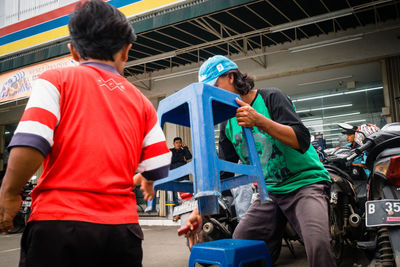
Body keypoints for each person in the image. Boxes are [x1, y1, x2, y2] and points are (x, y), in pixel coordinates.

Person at [0, 1, 171, 266]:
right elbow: (159, 165)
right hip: (121, 232)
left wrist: (10, 193)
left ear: (73, 51)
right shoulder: (142, 102)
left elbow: (32, 143)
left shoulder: (55, 80)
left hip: (58, 226)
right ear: (126, 51)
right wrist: (146, 179)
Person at [185, 55, 336, 267]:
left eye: (215, 86)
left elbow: (301, 139)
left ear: (231, 77)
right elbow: (222, 171)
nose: (212, 94)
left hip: (305, 184)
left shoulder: (271, 97)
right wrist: (198, 211)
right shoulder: (228, 123)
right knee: (241, 244)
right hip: (270, 192)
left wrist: (259, 121)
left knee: (318, 243)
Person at [169, 137, 192, 221]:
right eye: (177, 143)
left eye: (180, 143)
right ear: (173, 144)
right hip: (174, 175)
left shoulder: (184, 150)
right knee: (175, 196)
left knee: (186, 195)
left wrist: (185, 148)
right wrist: (182, 159)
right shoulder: (170, 151)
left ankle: (186, 213)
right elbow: (171, 159)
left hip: (184, 175)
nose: (178, 144)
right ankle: (176, 214)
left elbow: (189, 156)